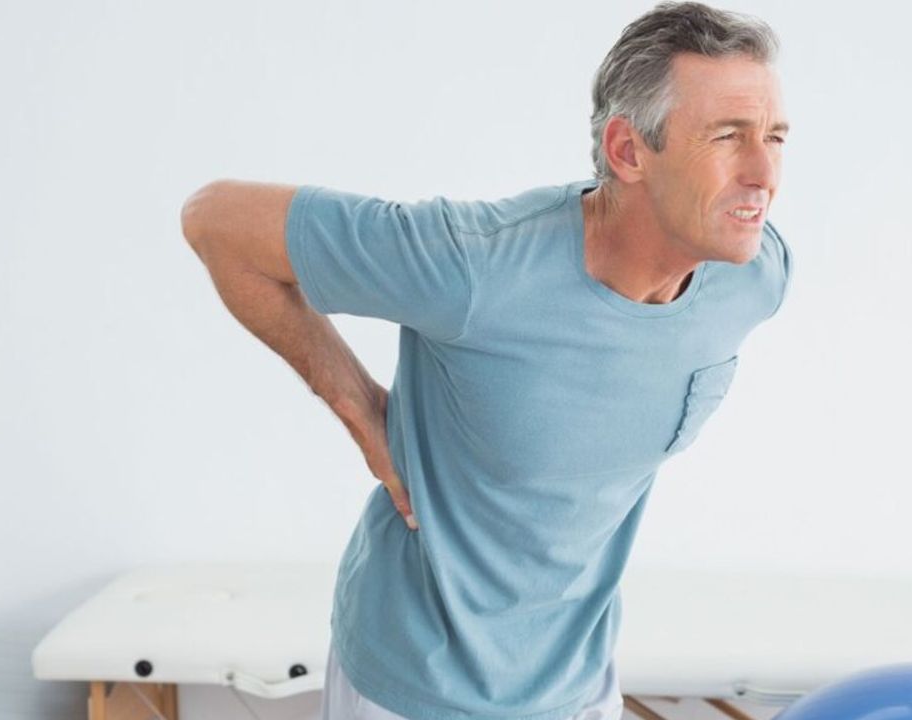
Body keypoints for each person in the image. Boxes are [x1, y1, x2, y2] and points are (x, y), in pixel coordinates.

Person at [179, 2, 792, 718]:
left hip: (577, 681)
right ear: (628, 151)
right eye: (727, 136)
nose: (763, 173)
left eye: (776, 137)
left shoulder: (753, 274)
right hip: (415, 685)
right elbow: (215, 221)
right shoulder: (476, 268)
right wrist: (359, 408)